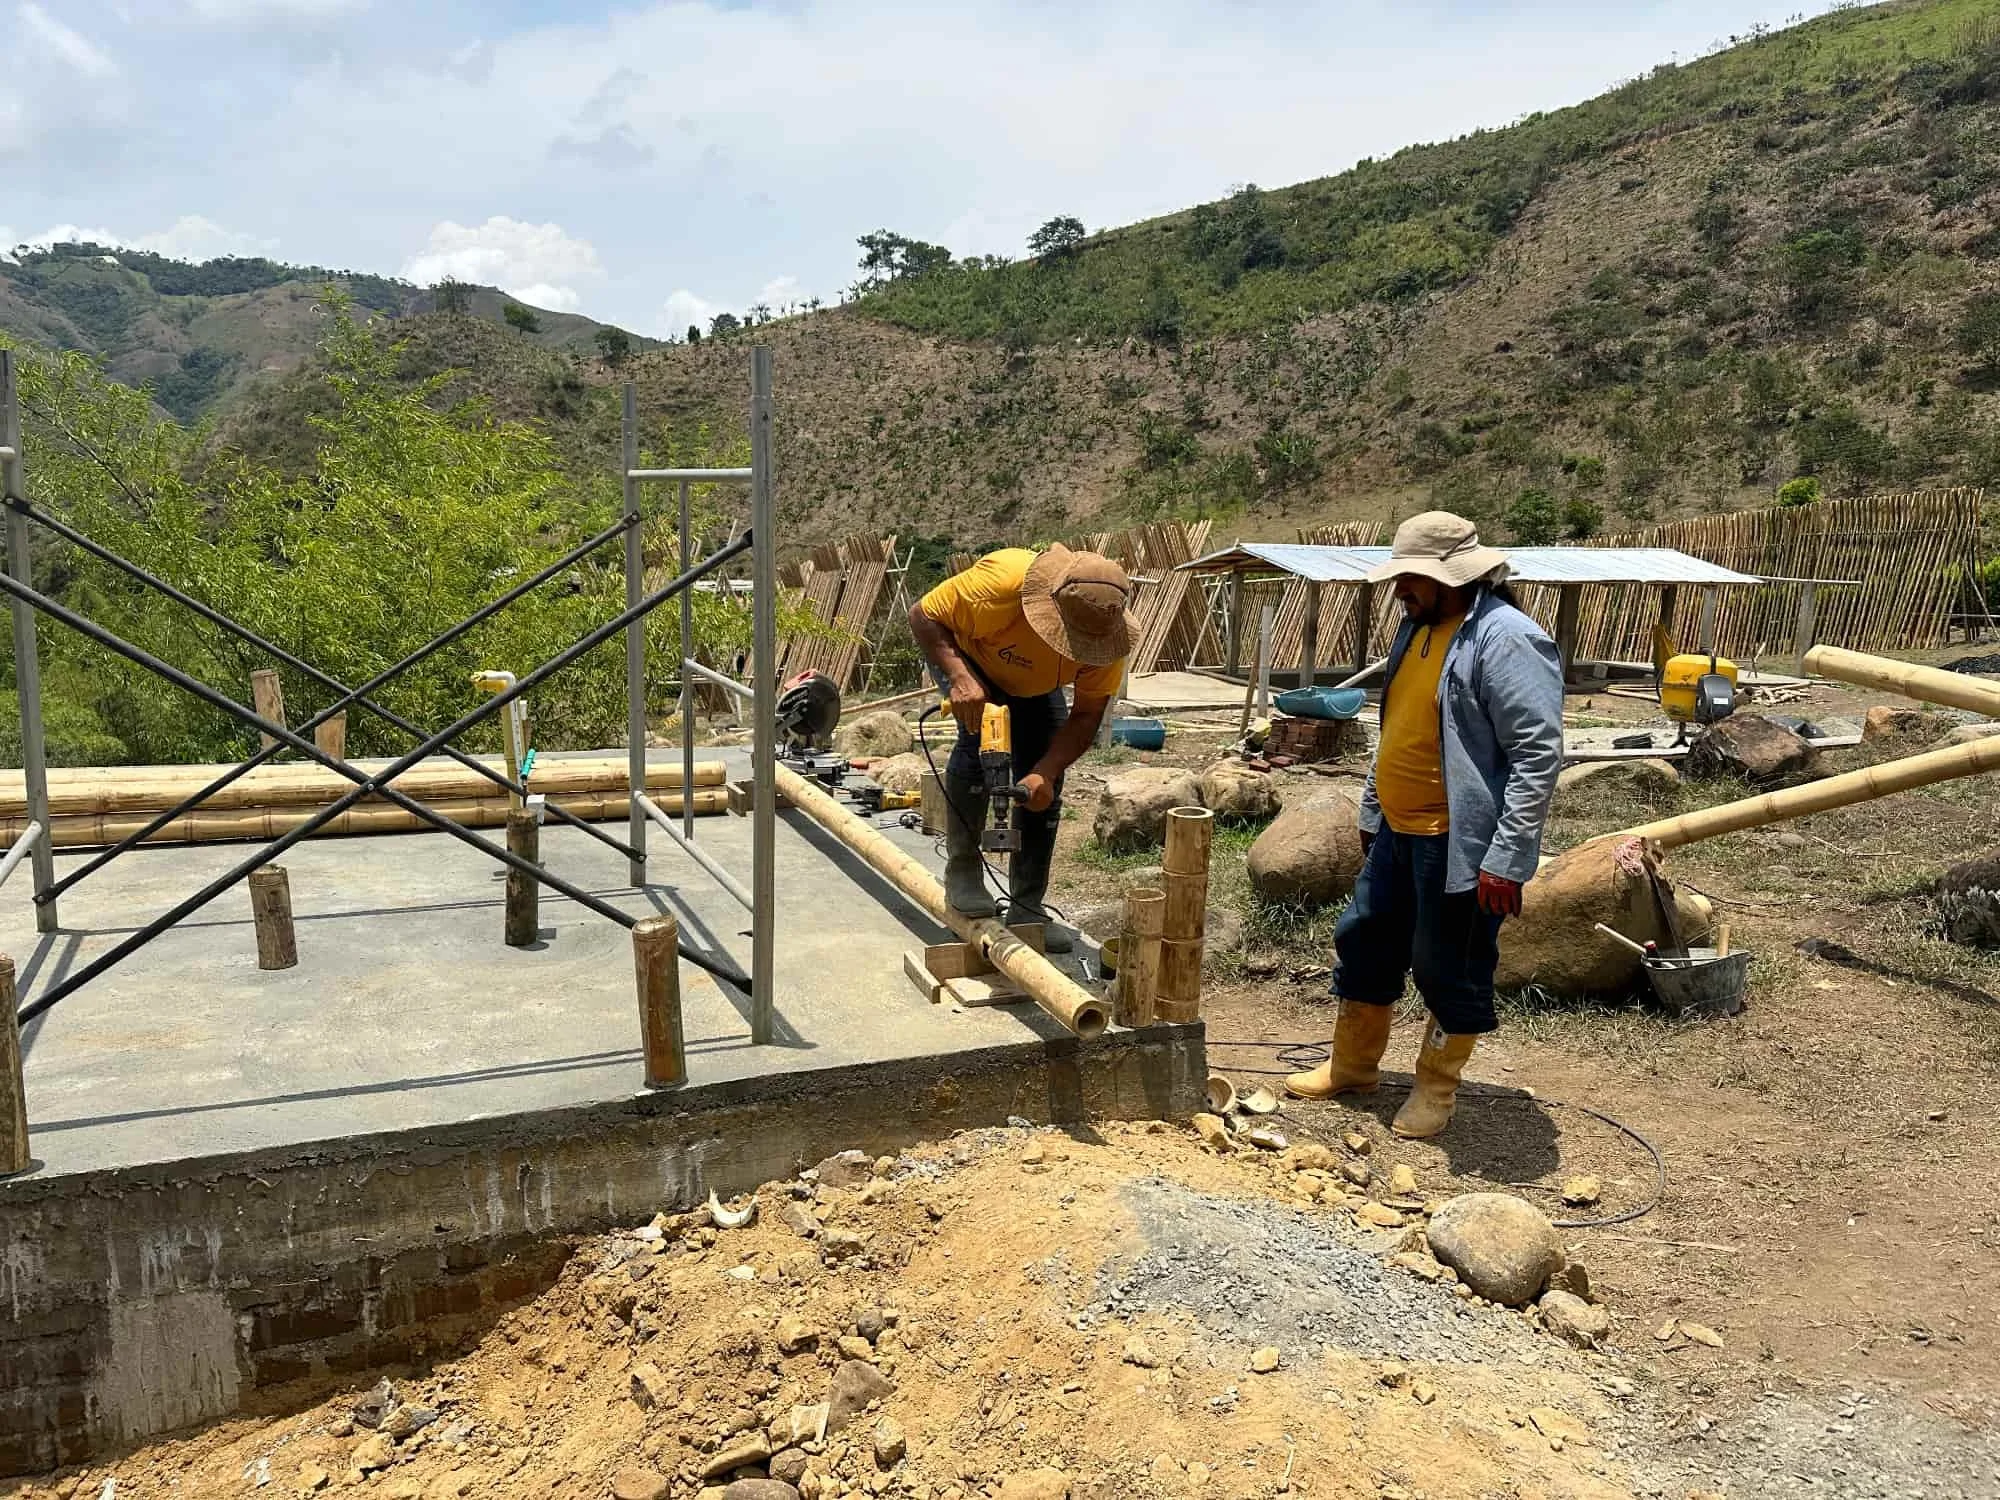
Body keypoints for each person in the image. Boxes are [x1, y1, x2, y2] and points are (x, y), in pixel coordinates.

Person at [1286, 511, 1563, 1138]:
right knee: (1364, 942)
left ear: (1454, 576)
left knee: (1449, 965)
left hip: (1459, 843)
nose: (1399, 590)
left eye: (1412, 578)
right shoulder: (1415, 631)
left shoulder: (1505, 639)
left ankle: (1436, 1089)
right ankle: (1353, 1067)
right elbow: (1399, 729)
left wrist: (1507, 856)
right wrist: (1371, 807)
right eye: (1400, 577)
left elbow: (1537, 755)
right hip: (1397, 832)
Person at [911, 545, 1135, 948]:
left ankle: (1027, 906)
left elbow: (1085, 717)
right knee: (979, 741)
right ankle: (963, 874)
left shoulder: (1106, 634)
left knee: (1044, 782)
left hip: (1036, 688)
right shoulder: (1001, 583)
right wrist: (960, 678)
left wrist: (1043, 774)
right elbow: (923, 615)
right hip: (969, 660)